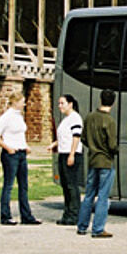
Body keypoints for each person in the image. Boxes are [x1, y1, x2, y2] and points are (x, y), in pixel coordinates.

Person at [0, 92, 41, 226]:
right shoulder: (6, 117)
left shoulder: (19, 117)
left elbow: (20, 134)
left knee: (23, 185)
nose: (24, 104)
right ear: (15, 102)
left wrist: (25, 146)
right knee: (9, 185)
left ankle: (26, 215)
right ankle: (5, 215)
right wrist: (7, 147)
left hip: (21, 152)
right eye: (22, 101)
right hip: (11, 154)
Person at [77, 89, 118, 238]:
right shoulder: (109, 121)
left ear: (100, 99)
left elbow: (83, 138)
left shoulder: (90, 117)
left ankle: (82, 226)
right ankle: (98, 228)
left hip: (93, 159)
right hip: (106, 160)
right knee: (103, 196)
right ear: (113, 102)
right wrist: (115, 150)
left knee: (89, 194)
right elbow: (112, 144)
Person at [48, 93, 83, 226]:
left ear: (70, 104)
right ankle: (67, 213)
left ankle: (74, 215)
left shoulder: (75, 118)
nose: (59, 106)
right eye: (59, 103)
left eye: (62, 103)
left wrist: (72, 154)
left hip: (71, 153)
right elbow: (64, 136)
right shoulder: (66, 119)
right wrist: (54, 144)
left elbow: (76, 136)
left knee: (71, 185)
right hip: (63, 152)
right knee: (65, 184)